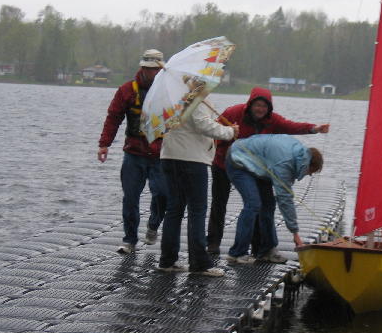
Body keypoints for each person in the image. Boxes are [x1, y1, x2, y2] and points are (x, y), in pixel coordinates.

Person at [206, 87, 329, 257]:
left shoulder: (272, 120)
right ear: (250, 104)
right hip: (223, 162)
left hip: (255, 168)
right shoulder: (233, 112)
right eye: (257, 105)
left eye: (265, 106)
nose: (261, 109)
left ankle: (260, 248)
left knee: (263, 204)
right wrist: (228, 137)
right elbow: (212, 132)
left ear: (269, 108)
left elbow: (291, 126)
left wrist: (314, 129)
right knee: (220, 204)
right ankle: (213, 243)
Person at [158, 87, 239, 277]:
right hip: (192, 159)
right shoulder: (196, 98)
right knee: (197, 210)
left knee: (174, 209)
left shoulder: (172, 97)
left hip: (169, 156)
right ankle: (199, 263)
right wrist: (229, 131)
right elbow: (202, 124)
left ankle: (167, 261)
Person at [97, 49, 169, 254]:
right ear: (142, 69)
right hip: (134, 154)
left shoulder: (169, 93)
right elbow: (113, 117)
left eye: (156, 70)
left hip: (160, 155)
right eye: (149, 69)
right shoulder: (127, 90)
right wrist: (104, 144)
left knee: (163, 195)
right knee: (130, 198)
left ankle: (153, 225)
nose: (153, 73)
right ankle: (129, 240)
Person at [225, 134, 323, 264]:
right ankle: (236, 253)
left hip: (257, 164)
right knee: (253, 204)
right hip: (238, 160)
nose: (309, 174)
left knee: (268, 204)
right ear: (308, 165)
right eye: (311, 171)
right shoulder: (285, 163)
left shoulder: (299, 153)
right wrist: (295, 233)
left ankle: (266, 251)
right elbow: (285, 199)